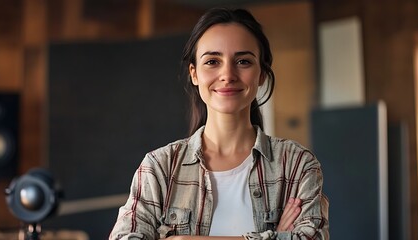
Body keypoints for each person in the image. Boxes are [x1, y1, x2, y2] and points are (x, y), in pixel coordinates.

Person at [109, 7, 329, 240]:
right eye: (213, 61)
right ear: (194, 74)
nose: (227, 74)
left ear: (262, 73)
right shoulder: (160, 168)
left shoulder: (296, 165)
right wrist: (275, 236)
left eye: (243, 61)